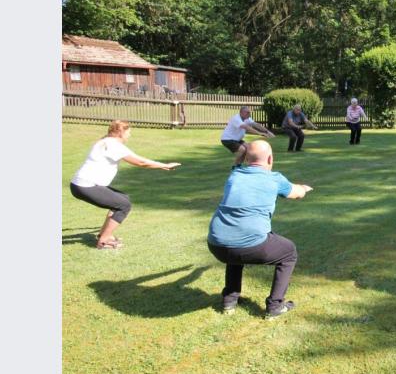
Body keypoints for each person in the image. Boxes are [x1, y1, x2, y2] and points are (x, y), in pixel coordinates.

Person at [207, 140, 313, 318]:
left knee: (235, 249)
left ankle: (229, 300)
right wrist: (303, 187)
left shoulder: (236, 174)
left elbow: (238, 161)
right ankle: (275, 306)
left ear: (246, 157)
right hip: (249, 245)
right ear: (270, 158)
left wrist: (245, 150)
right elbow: (297, 194)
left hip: (216, 244)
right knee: (289, 253)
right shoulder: (274, 178)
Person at [70, 120, 181, 249]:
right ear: (120, 132)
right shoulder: (113, 145)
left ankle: (104, 234)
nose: (129, 135)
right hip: (86, 186)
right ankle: (103, 241)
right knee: (123, 205)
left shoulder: (105, 141)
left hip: (81, 184)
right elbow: (140, 162)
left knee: (123, 198)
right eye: (128, 132)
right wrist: (165, 165)